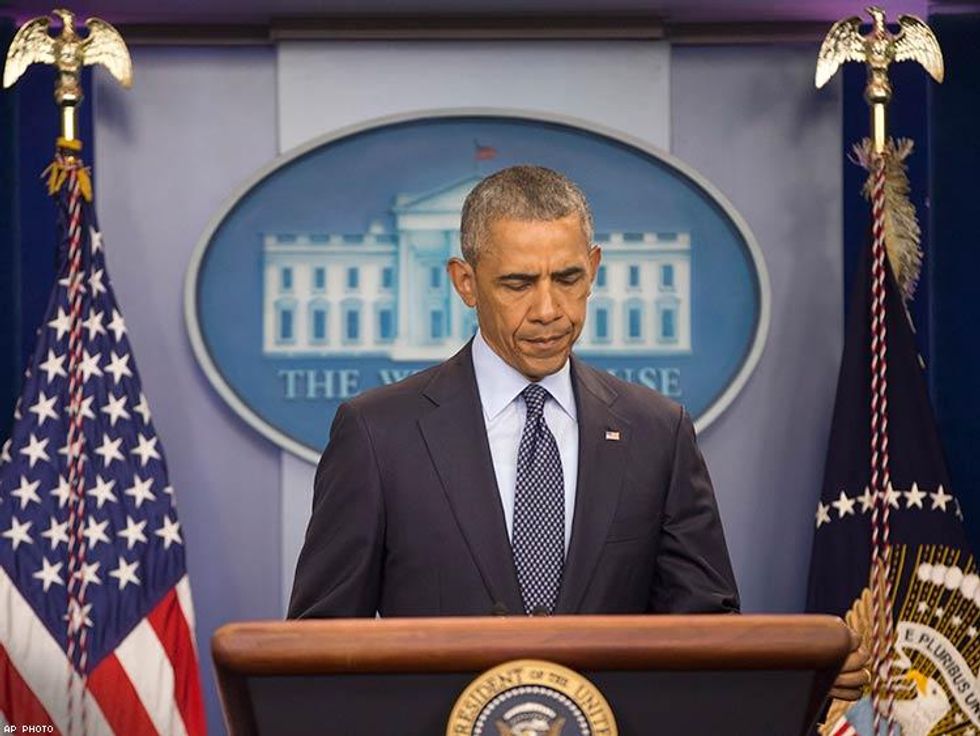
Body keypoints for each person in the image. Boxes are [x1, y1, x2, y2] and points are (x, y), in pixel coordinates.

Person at [288, 165, 868, 699]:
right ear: (466, 283)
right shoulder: (378, 434)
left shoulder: (656, 433)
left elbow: (704, 637)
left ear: (593, 267)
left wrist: (802, 673)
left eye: (567, 278)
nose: (549, 310)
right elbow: (320, 650)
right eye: (517, 284)